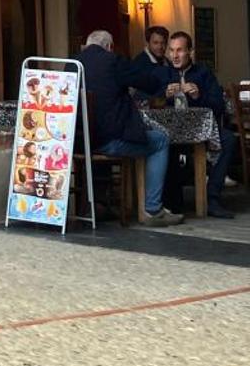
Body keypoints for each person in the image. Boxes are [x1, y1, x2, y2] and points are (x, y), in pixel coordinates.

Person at [74, 29, 182, 224]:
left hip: (78, 143)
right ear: (109, 47)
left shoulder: (71, 65)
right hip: (108, 142)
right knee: (161, 140)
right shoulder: (113, 61)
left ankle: (97, 204)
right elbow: (146, 83)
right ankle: (152, 209)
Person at [167, 30, 237, 218]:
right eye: (171, 50)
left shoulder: (203, 73)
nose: (175, 55)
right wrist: (162, 95)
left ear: (190, 52)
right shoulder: (163, 73)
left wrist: (199, 96)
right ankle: (171, 201)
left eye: (180, 50)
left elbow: (219, 105)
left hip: (202, 131)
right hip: (170, 133)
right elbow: (145, 100)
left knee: (228, 139)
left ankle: (212, 198)